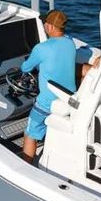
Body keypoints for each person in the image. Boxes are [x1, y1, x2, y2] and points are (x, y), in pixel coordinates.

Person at [20, 10, 77, 163]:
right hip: (68, 100)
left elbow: (25, 68)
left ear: (50, 27)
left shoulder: (41, 48)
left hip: (47, 104)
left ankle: (26, 167)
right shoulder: (70, 44)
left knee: (29, 133)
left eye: (45, 23)